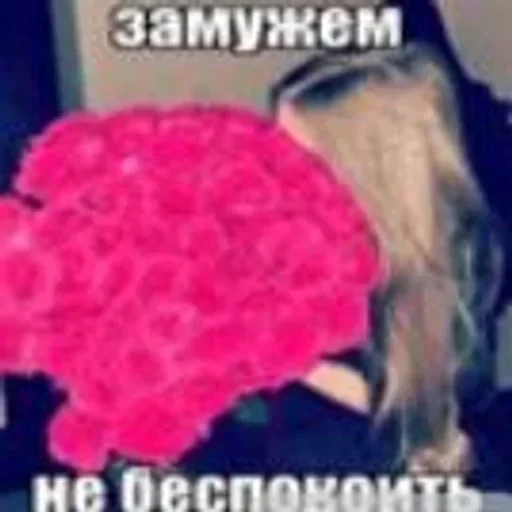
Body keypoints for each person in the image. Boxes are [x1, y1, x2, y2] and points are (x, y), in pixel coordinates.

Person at [181, 45, 511, 490]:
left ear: (367, 169)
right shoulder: (301, 220)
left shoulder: (461, 251)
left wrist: (282, 357)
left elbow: (416, 405)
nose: (276, 165)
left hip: (370, 454)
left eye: (299, 155)